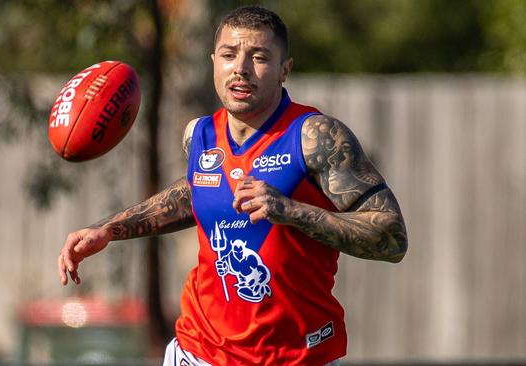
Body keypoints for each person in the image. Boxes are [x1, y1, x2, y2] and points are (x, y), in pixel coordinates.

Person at [58, 5, 407, 366]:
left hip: (297, 356)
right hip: (199, 352)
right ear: (213, 62)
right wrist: (109, 229)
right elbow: (194, 194)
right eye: (228, 55)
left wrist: (291, 211)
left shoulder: (315, 137)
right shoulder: (199, 134)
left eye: (258, 57)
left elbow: (392, 237)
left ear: (284, 69)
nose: (240, 69)